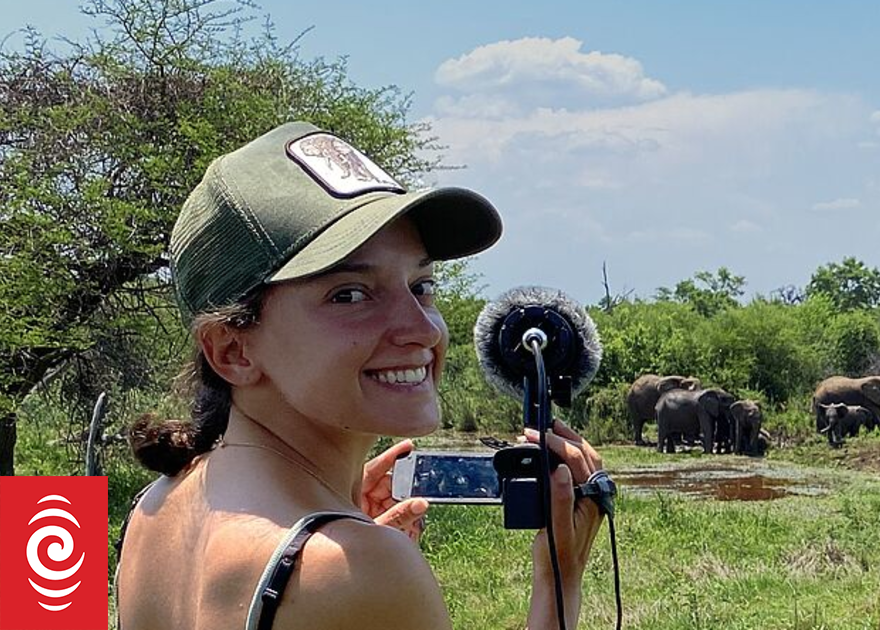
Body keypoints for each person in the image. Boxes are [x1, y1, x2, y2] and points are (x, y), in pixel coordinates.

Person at [116, 121, 605, 630]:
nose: (422, 329)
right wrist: (560, 583)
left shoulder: (153, 510)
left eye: (420, 285)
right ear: (232, 349)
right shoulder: (355, 567)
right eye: (350, 294)